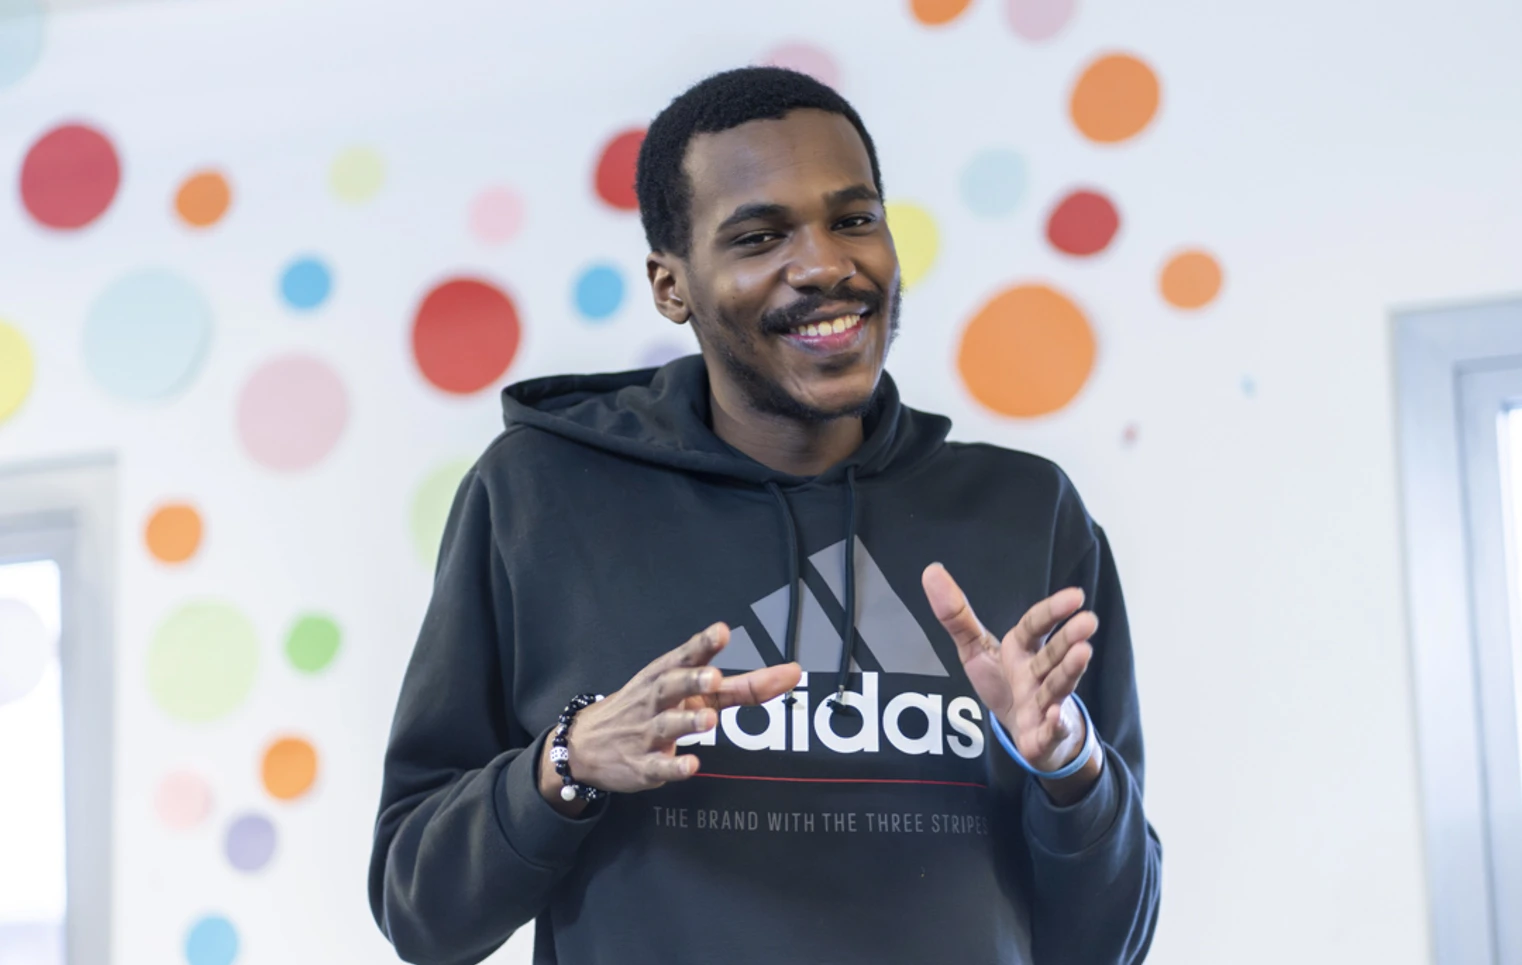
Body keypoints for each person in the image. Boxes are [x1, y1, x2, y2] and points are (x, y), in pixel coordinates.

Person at [369, 66, 1161, 965]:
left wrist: (1067, 770)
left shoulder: (1027, 512)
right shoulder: (540, 497)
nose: (826, 263)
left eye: (854, 218)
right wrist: (569, 758)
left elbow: (1110, 943)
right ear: (673, 287)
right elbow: (421, 912)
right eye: (759, 236)